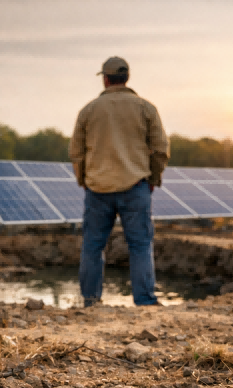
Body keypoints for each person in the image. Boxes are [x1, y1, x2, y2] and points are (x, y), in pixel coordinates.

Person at [69, 56, 169, 307]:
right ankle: (145, 301)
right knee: (140, 246)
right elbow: (160, 149)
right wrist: (153, 179)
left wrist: (84, 180)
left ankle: (91, 302)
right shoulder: (146, 108)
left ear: (105, 79)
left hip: (97, 189)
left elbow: (76, 153)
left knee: (92, 246)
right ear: (127, 78)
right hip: (136, 187)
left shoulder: (88, 110)